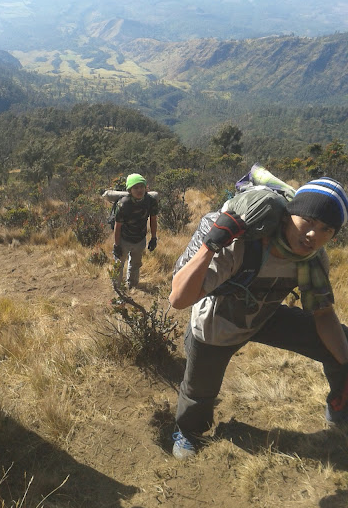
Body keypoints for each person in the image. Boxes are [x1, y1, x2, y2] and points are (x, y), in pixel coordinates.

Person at [169, 176, 348, 460]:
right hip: (218, 325)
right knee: (199, 392)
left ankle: (341, 405)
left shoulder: (312, 259)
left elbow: (323, 314)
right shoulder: (242, 243)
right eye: (309, 221)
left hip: (265, 315)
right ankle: (189, 431)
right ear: (289, 215)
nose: (314, 234)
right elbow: (178, 299)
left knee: (342, 344)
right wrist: (211, 245)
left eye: (326, 228)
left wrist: (346, 364)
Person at [112, 173, 158, 289]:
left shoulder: (150, 201)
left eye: (141, 186)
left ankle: (132, 286)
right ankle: (117, 289)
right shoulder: (123, 204)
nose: (139, 190)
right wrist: (117, 245)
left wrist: (153, 237)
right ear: (130, 190)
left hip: (140, 238)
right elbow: (117, 226)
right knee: (119, 264)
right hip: (124, 239)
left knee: (136, 264)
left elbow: (153, 219)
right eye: (135, 188)